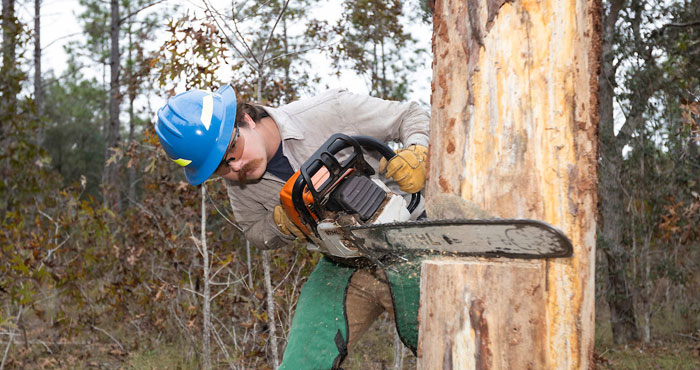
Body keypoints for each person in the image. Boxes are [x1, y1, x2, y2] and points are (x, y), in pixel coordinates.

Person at [155, 84, 430, 369]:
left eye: (232, 152)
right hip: (343, 261)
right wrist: (281, 224)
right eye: (220, 168)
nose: (234, 169)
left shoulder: (329, 111)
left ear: (246, 119)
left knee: (436, 336)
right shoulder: (239, 182)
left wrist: (418, 150)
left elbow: (409, 114)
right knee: (301, 363)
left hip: (408, 240)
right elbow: (254, 232)